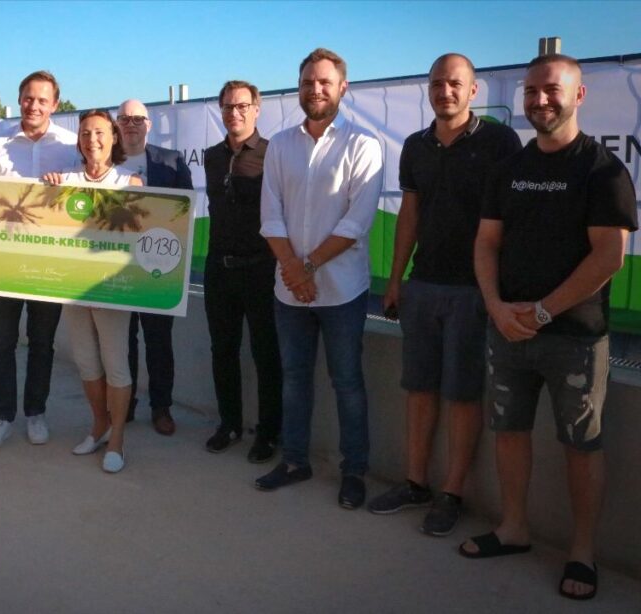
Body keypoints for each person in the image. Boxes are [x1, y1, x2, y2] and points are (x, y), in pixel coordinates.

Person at [461, 54, 636, 602]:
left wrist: (539, 312)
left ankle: (580, 553)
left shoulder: (602, 170)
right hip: (507, 330)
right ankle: (514, 529)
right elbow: (486, 242)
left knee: (581, 445)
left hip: (576, 340)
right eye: (531, 91)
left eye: (551, 90)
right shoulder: (509, 168)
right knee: (509, 432)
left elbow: (609, 257)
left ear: (578, 95)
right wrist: (495, 305)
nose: (539, 100)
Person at [367, 55, 522, 535]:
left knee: (461, 394)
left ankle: (452, 491)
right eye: (437, 83)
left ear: (473, 90)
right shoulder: (415, 146)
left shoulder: (500, 141)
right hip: (424, 285)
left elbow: (511, 221)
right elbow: (409, 216)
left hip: (475, 292)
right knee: (418, 389)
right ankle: (416, 483)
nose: (445, 91)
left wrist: (499, 291)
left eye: (455, 83)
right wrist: (396, 280)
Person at [255, 48, 384, 510]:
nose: (316, 89)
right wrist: (293, 269)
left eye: (325, 82)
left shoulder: (364, 145)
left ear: (342, 87)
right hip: (288, 292)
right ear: (299, 86)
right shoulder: (280, 145)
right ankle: (294, 460)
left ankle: (354, 471)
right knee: (294, 378)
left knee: (347, 381)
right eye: (309, 81)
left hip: (342, 291)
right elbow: (270, 216)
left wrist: (304, 268)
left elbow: (357, 223)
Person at [0, 70, 79, 450]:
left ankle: (35, 412)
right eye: (28, 98)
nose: (34, 105)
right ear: (19, 99)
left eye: (42, 100)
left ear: (55, 104)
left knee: (41, 343)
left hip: (49, 263)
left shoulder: (71, 146)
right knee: (1, 343)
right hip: (2, 262)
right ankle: (2, 415)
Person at [42, 109, 143, 473]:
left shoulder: (128, 181)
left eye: (99, 133)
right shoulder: (65, 178)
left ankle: (117, 438)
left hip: (113, 288)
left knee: (116, 364)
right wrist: (48, 187)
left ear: (114, 137)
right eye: (85, 133)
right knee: (86, 361)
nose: (92, 140)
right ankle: (98, 424)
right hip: (72, 287)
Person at [201, 80, 282, 463]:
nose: (234, 113)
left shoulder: (273, 153)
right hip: (219, 269)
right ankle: (229, 423)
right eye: (228, 106)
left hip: (261, 270)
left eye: (242, 106)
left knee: (266, 354)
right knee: (223, 352)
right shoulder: (212, 156)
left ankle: (268, 433)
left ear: (256, 109)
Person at [116, 99, 194, 436]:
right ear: (117, 125)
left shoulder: (173, 162)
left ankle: (161, 408)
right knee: (123, 341)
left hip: (158, 267)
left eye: (137, 119)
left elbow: (185, 211)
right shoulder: (106, 161)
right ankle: (126, 404)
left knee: (159, 342)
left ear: (149, 124)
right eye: (124, 119)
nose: (131, 124)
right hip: (116, 267)